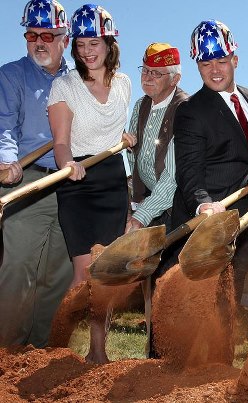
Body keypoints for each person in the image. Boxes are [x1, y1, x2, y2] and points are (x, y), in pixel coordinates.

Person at [47, 4, 135, 363]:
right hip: (79, 182)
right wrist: (67, 163)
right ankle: (54, 347)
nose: (86, 50)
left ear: (109, 42)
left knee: (104, 277)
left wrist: (127, 138)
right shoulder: (64, 85)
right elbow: (61, 141)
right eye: (81, 43)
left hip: (113, 180)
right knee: (83, 274)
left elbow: (119, 133)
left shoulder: (125, 83)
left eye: (94, 41)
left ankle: (98, 351)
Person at [172, 20, 248, 305]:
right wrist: (204, 206)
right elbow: (189, 173)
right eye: (205, 63)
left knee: (230, 300)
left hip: (242, 218)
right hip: (206, 222)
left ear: (235, 59)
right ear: (197, 66)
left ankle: (222, 350)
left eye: (221, 60)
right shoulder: (191, 111)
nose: (214, 70)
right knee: (190, 306)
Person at [0, 0, 73, 348]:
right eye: (32, 34)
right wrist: (7, 163)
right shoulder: (12, 75)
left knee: (57, 273)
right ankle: (8, 350)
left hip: (70, 186)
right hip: (28, 181)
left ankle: (42, 352)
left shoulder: (79, 81)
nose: (39, 42)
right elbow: (5, 127)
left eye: (48, 34)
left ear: (65, 40)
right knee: (19, 270)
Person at [126, 42, 188, 358]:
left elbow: (172, 181)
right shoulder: (140, 107)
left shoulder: (185, 110)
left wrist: (140, 215)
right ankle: (155, 358)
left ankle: (172, 360)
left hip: (179, 207)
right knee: (150, 280)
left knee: (170, 283)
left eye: (157, 73)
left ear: (174, 79)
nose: (148, 78)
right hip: (149, 204)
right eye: (145, 71)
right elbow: (131, 159)